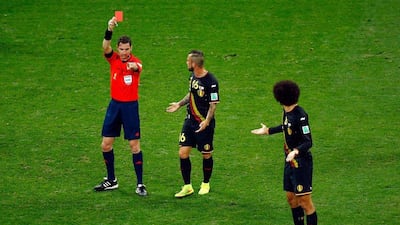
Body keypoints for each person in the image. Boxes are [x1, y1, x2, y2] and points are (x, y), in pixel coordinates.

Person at [93, 16, 147, 196]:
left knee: (134, 145)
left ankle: (140, 184)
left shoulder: (135, 62)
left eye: (127, 49)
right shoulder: (113, 59)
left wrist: (133, 66)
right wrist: (109, 29)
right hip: (114, 106)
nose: (124, 52)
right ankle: (111, 180)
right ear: (118, 48)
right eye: (121, 49)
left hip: (130, 108)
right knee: (105, 145)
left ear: (131, 48)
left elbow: (138, 66)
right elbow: (105, 47)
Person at [251, 80, 317, 225]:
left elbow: (308, 141)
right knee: (291, 199)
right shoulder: (287, 112)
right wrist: (268, 131)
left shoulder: (301, 115)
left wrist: (296, 151)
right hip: (289, 162)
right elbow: (286, 126)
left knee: (305, 202)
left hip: (301, 163)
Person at [166, 50, 220, 198]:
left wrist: (206, 122)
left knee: (206, 154)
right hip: (190, 121)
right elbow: (191, 93)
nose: (186, 63)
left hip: (204, 123)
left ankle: (205, 183)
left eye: (188, 61)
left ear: (194, 64)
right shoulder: (192, 77)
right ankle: (187, 186)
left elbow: (213, 105)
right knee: (183, 153)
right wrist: (179, 104)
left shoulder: (211, 82)